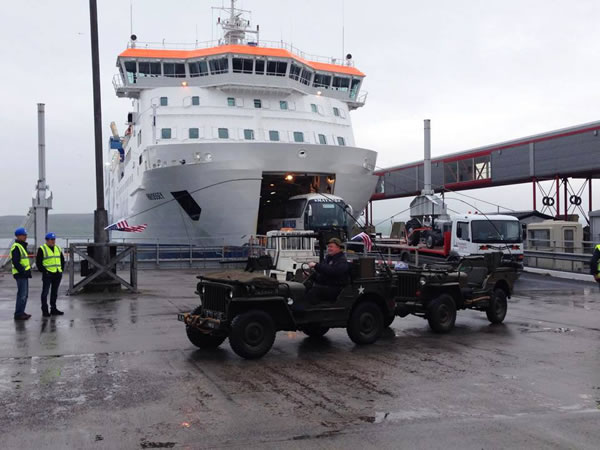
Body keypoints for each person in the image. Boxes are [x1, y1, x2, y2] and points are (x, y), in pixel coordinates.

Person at [306, 238, 350, 304]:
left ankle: (312, 311)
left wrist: (316, 265)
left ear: (338, 248)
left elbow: (333, 271)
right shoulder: (328, 258)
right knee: (306, 286)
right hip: (326, 285)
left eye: (331, 247)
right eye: (328, 247)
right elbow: (322, 271)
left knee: (314, 292)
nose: (329, 248)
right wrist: (310, 275)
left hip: (335, 287)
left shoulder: (341, 260)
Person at [36, 232, 65, 317]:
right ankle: (45, 310)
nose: (53, 241)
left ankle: (53, 309)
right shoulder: (42, 249)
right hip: (48, 274)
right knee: (45, 292)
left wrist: (61, 270)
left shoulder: (57, 248)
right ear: (47, 240)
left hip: (57, 273)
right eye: (51, 240)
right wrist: (45, 271)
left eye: (54, 239)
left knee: (54, 292)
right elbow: (39, 262)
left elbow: (62, 260)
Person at [10, 227, 32, 320]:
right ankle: (19, 314)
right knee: (22, 294)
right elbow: (16, 261)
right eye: (24, 235)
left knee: (24, 294)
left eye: (26, 235)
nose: (25, 237)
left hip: (24, 274)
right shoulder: (16, 247)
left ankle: (21, 311)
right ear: (18, 236)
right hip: (20, 274)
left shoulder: (22, 246)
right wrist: (23, 271)